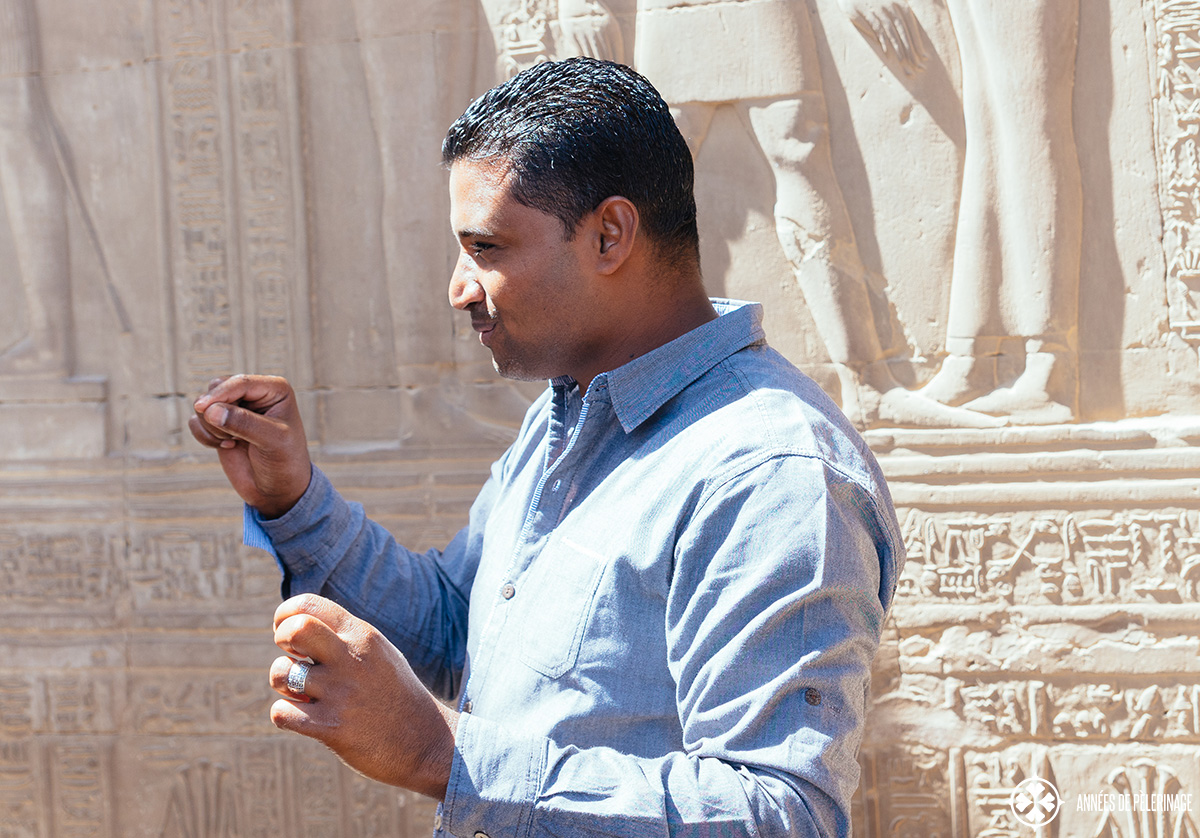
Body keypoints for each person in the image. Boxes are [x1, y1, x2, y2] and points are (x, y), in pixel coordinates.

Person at [190, 57, 903, 837]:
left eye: (487, 247)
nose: (461, 287)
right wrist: (291, 500)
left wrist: (444, 755)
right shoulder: (567, 411)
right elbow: (459, 629)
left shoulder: (770, 474)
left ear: (609, 234)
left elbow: (780, 814)